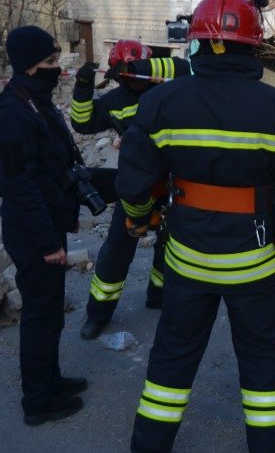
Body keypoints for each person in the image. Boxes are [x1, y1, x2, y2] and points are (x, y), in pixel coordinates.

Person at [116, 0, 275, 453]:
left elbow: (134, 187)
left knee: (171, 362)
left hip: (187, 261)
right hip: (257, 264)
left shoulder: (160, 104)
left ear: (195, 44)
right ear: (254, 46)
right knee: (264, 367)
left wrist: (140, 219)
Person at [0, 25, 88, 426]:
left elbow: (51, 166)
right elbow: (18, 187)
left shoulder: (34, 102)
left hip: (46, 225)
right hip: (33, 234)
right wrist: (48, 242)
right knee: (41, 316)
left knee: (51, 313)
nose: (56, 69)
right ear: (29, 66)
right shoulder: (12, 114)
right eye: (49, 62)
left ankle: (51, 379)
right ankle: (38, 402)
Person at [70, 40, 191, 339]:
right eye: (122, 73)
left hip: (173, 181)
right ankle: (98, 314)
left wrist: (139, 68)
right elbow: (82, 122)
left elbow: (183, 66)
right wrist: (83, 86)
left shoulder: (169, 87)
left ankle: (158, 295)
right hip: (136, 184)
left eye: (131, 72)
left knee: (170, 244)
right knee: (117, 250)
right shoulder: (115, 101)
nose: (129, 79)